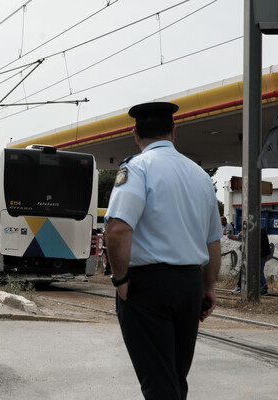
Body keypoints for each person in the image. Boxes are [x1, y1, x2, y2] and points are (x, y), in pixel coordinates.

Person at [104, 102, 221, 400]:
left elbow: (118, 229)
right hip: (190, 286)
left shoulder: (137, 169)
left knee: (158, 383)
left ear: (136, 134)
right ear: (173, 131)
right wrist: (208, 287)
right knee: (174, 378)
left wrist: (121, 281)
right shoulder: (200, 176)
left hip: (149, 287)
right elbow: (212, 240)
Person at [231, 227, 270, 295]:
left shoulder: (257, 231)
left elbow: (243, 237)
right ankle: (242, 286)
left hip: (260, 254)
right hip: (257, 254)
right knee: (252, 270)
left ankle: (263, 288)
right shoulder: (258, 230)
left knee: (258, 270)